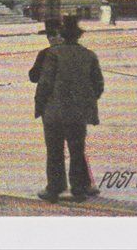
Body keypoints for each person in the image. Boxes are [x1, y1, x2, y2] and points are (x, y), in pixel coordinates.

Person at [34, 15, 104, 203]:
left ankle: (55, 189)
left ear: (63, 36)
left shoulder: (53, 54)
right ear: (78, 37)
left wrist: (41, 106)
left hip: (54, 113)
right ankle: (79, 189)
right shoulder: (89, 55)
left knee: (55, 151)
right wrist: (84, 101)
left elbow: (45, 83)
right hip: (78, 113)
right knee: (77, 150)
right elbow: (98, 85)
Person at [28, 18, 62, 83]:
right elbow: (34, 77)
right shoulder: (44, 54)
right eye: (48, 35)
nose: (51, 38)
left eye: (54, 34)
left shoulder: (72, 52)